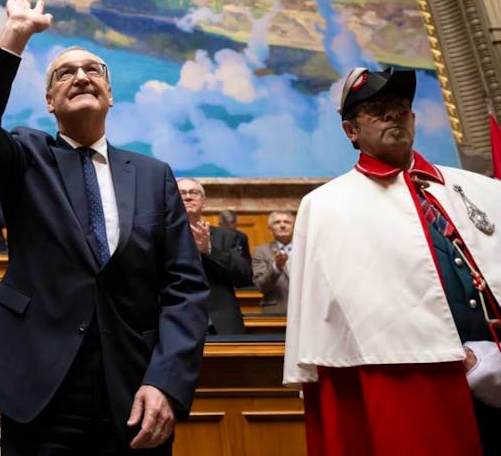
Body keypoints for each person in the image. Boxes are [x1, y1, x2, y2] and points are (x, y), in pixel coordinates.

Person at [0, 0, 209, 454]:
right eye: (65, 73)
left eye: (94, 70)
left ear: (110, 95)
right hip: (39, 388)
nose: (81, 76)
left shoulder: (153, 176)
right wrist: (15, 34)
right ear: (50, 101)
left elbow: (184, 287)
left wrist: (166, 381)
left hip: (133, 390)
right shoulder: (26, 158)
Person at [284, 67, 501, 455]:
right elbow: (333, 317)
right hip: (412, 380)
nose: (393, 115)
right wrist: (464, 359)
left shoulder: (481, 189)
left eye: (401, 107)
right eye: (377, 109)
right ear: (351, 131)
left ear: (413, 119)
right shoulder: (327, 207)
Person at [177, 178, 253, 335]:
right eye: (182, 193)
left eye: (194, 193)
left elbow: (244, 276)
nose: (188, 197)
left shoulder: (227, 237)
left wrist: (209, 251)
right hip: (175, 324)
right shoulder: (160, 236)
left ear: (203, 202)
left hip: (220, 324)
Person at [251, 211, 294, 314]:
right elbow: (261, 286)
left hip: (305, 311)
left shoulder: (306, 250)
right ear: (270, 230)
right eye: (277, 222)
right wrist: (276, 268)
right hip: (275, 311)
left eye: (287, 222)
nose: (282, 225)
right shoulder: (261, 251)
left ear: (294, 227)